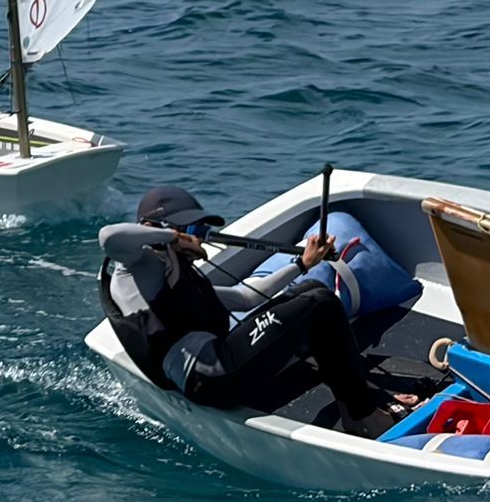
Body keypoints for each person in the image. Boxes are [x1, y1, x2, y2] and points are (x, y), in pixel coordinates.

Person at [99, 185, 418, 434]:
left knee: (310, 292)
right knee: (318, 302)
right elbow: (110, 237)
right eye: (192, 231)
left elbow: (247, 298)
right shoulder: (135, 268)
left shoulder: (174, 277)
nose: (199, 240)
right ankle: (362, 416)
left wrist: (302, 264)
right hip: (210, 378)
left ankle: (355, 400)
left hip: (220, 363)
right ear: (159, 229)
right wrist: (172, 236)